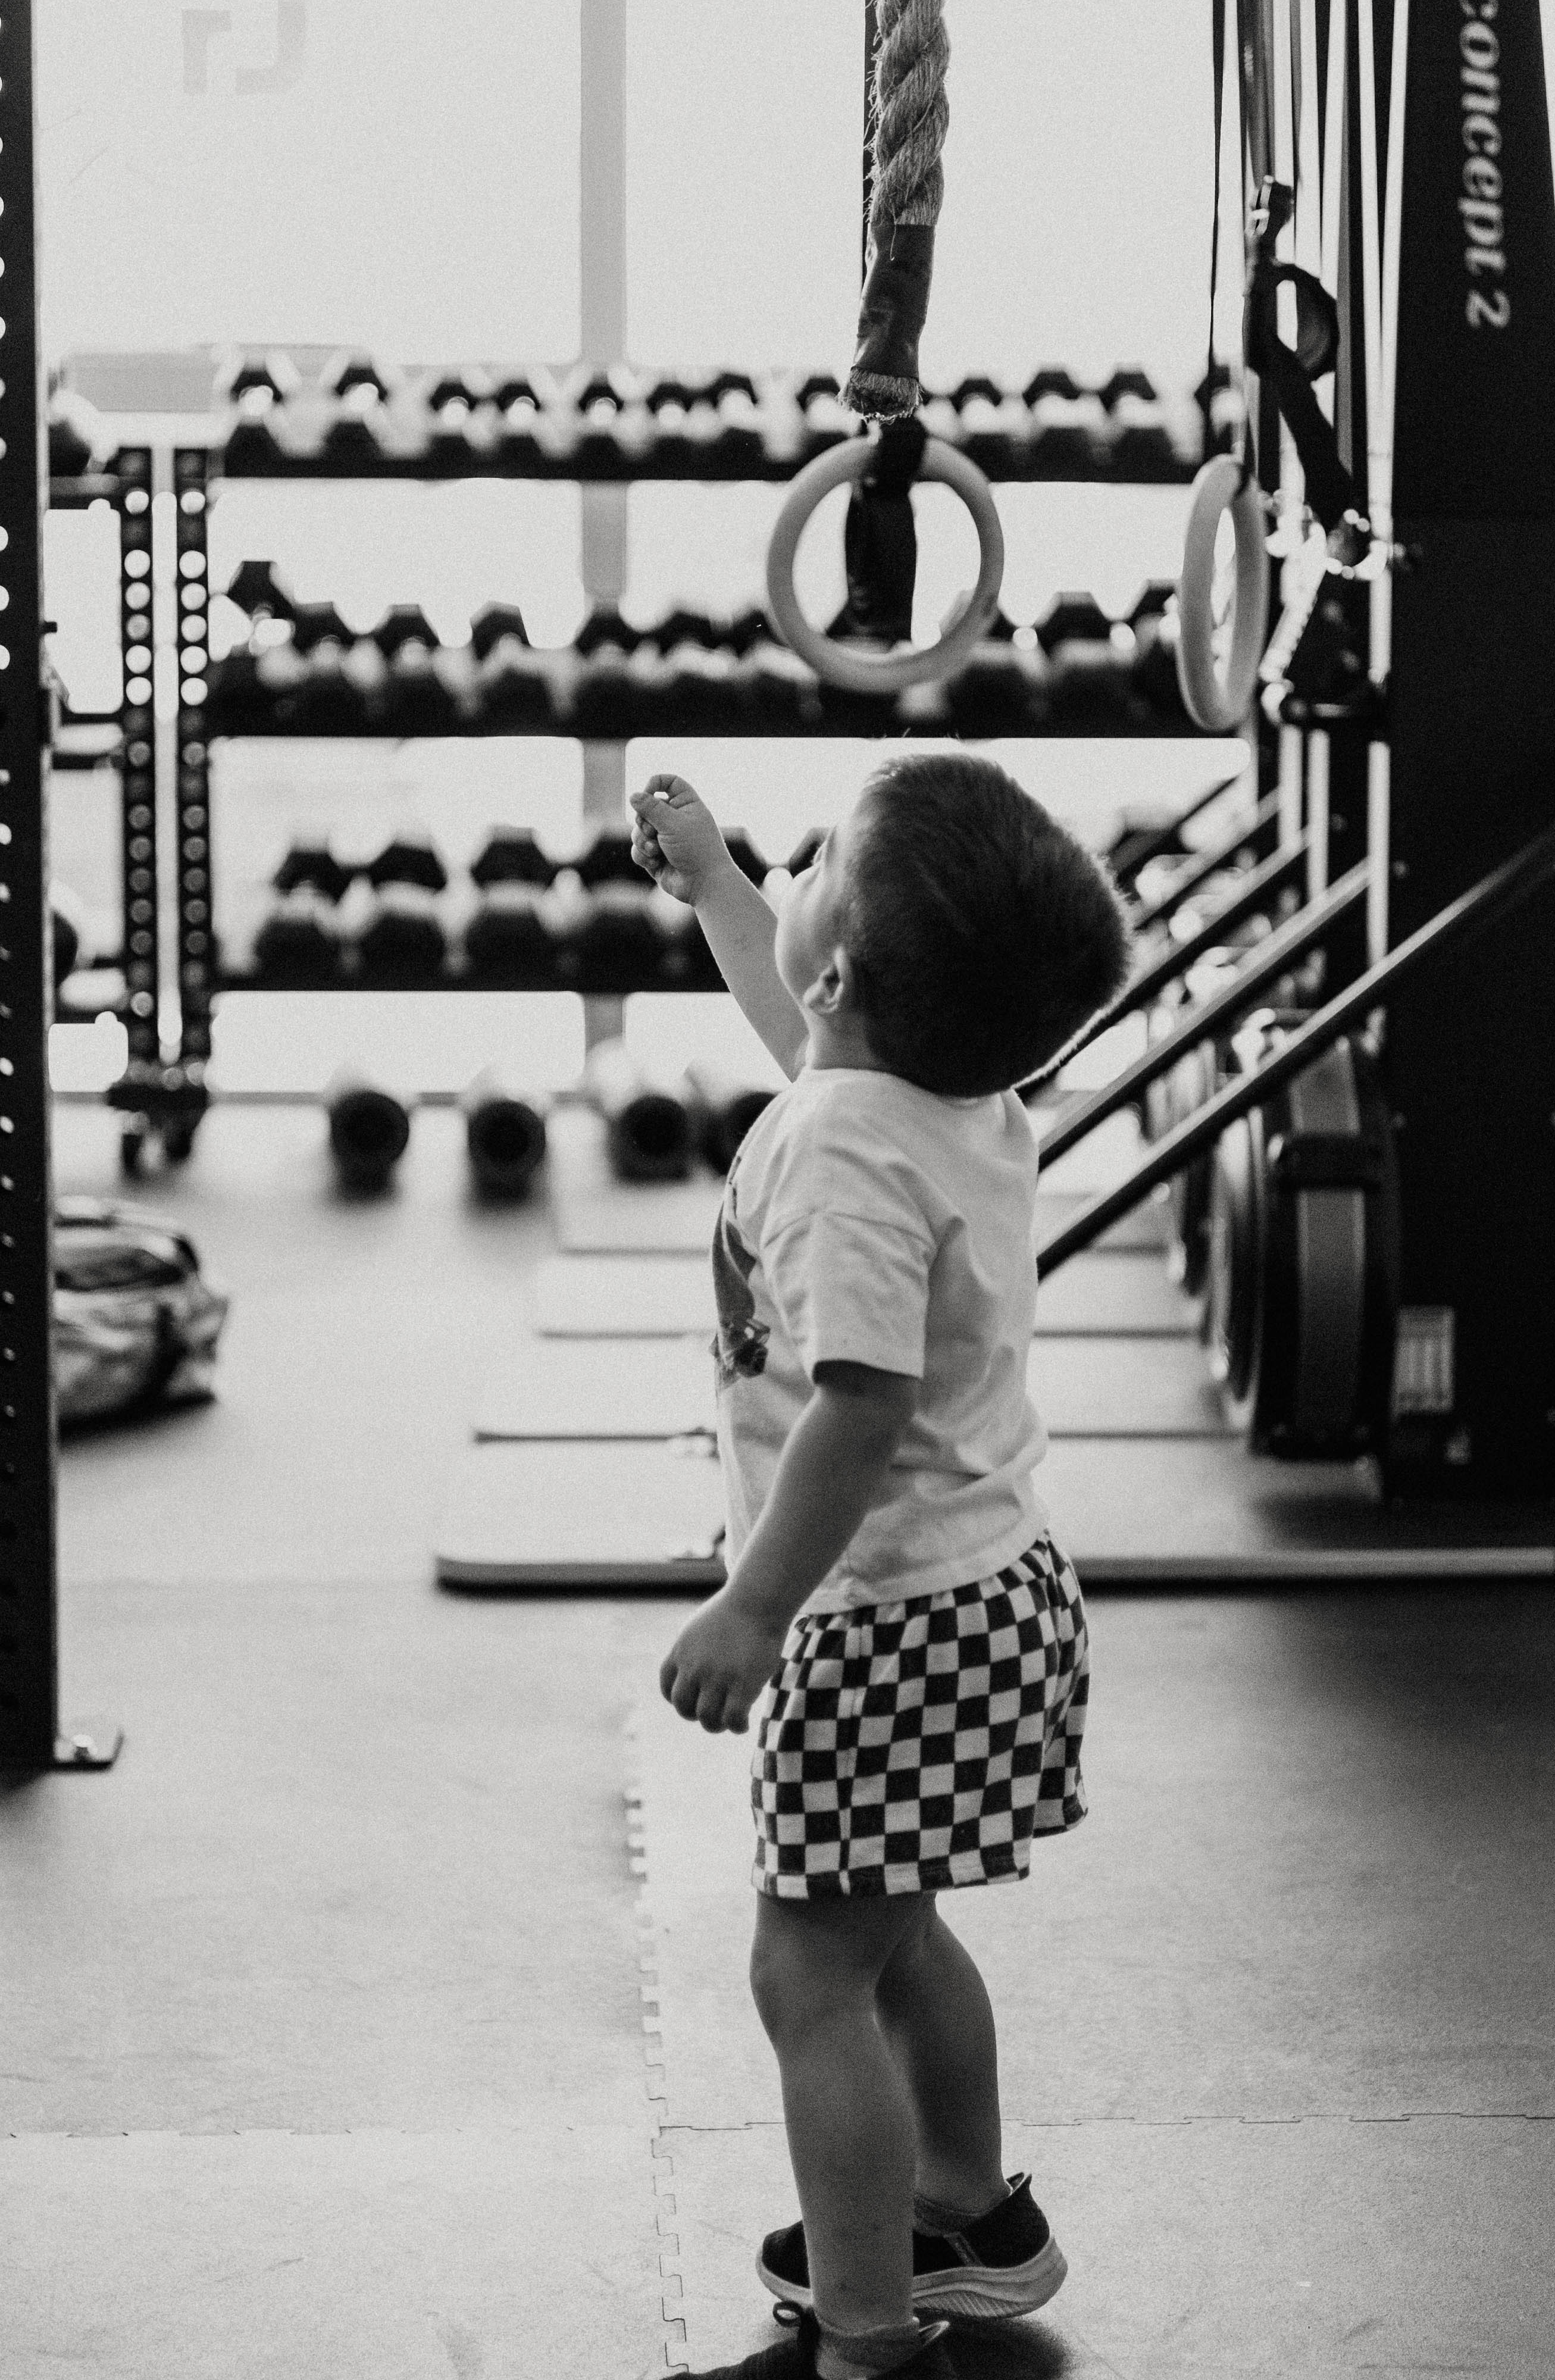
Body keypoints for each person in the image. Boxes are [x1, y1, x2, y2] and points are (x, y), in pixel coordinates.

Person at [628, 753, 1132, 2380]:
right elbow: (808, 1033)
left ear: (841, 973)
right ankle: (967, 2215)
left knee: (807, 1974)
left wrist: (753, 1604)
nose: (794, 870)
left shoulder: (842, 1153)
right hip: (995, 1590)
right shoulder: (939, 1092)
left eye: (814, 862)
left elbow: (863, 1402)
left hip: (884, 1620)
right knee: (891, 1937)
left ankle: (863, 2335)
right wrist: (721, 887)